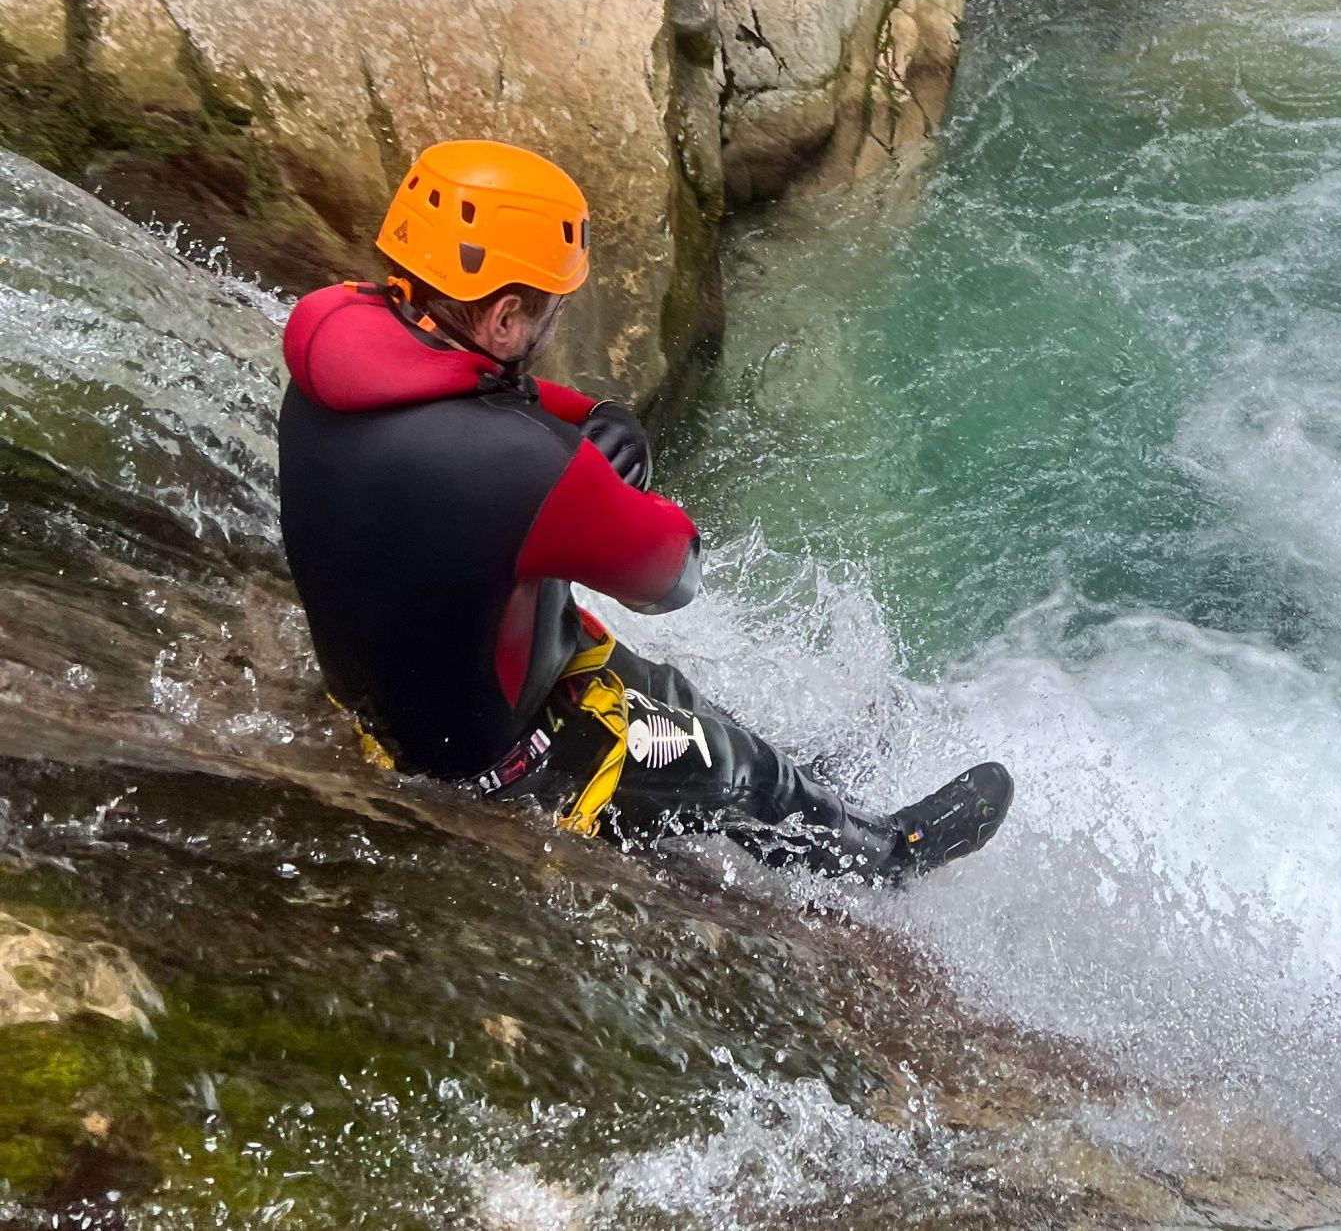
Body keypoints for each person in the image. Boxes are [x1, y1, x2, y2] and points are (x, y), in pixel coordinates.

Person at [277, 139, 1010, 882]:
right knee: (737, 768)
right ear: (503, 319)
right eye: (549, 309)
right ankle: (888, 859)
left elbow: (475, 402)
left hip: (408, 702)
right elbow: (671, 574)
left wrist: (596, 416)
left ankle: (819, 795)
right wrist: (612, 479)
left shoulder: (330, 346)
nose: (556, 323)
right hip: (502, 763)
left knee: (663, 689)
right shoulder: (525, 470)